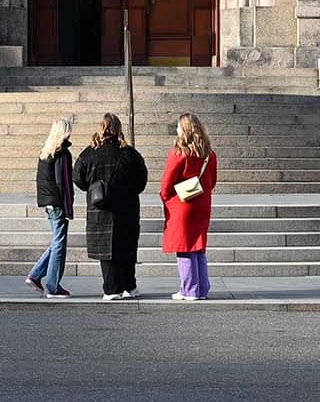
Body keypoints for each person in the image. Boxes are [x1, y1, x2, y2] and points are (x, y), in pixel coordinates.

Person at [75, 112, 150, 298]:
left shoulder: (88, 154)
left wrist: (93, 189)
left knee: (105, 250)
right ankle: (129, 286)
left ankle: (111, 288)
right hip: (127, 208)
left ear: (100, 128)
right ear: (118, 129)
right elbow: (142, 180)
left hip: (99, 209)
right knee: (126, 246)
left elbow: (77, 178)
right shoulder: (129, 153)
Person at [161, 114, 220, 300]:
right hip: (202, 203)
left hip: (183, 204)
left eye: (178, 126)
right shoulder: (209, 154)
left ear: (184, 129)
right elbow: (212, 181)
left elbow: (167, 181)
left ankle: (189, 290)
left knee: (185, 247)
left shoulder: (179, 152)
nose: (177, 130)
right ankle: (202, 289)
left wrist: (165, 197)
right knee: (199, 246)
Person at [27, 118, 76, 299]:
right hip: (57, 203)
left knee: (56, 242)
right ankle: (53, 286)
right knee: (59, 245)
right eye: (69, 130)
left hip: (47, 203)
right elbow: (63, 183)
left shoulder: (45, 153)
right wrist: (68, 207)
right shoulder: (61, 154)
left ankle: (35, 275)